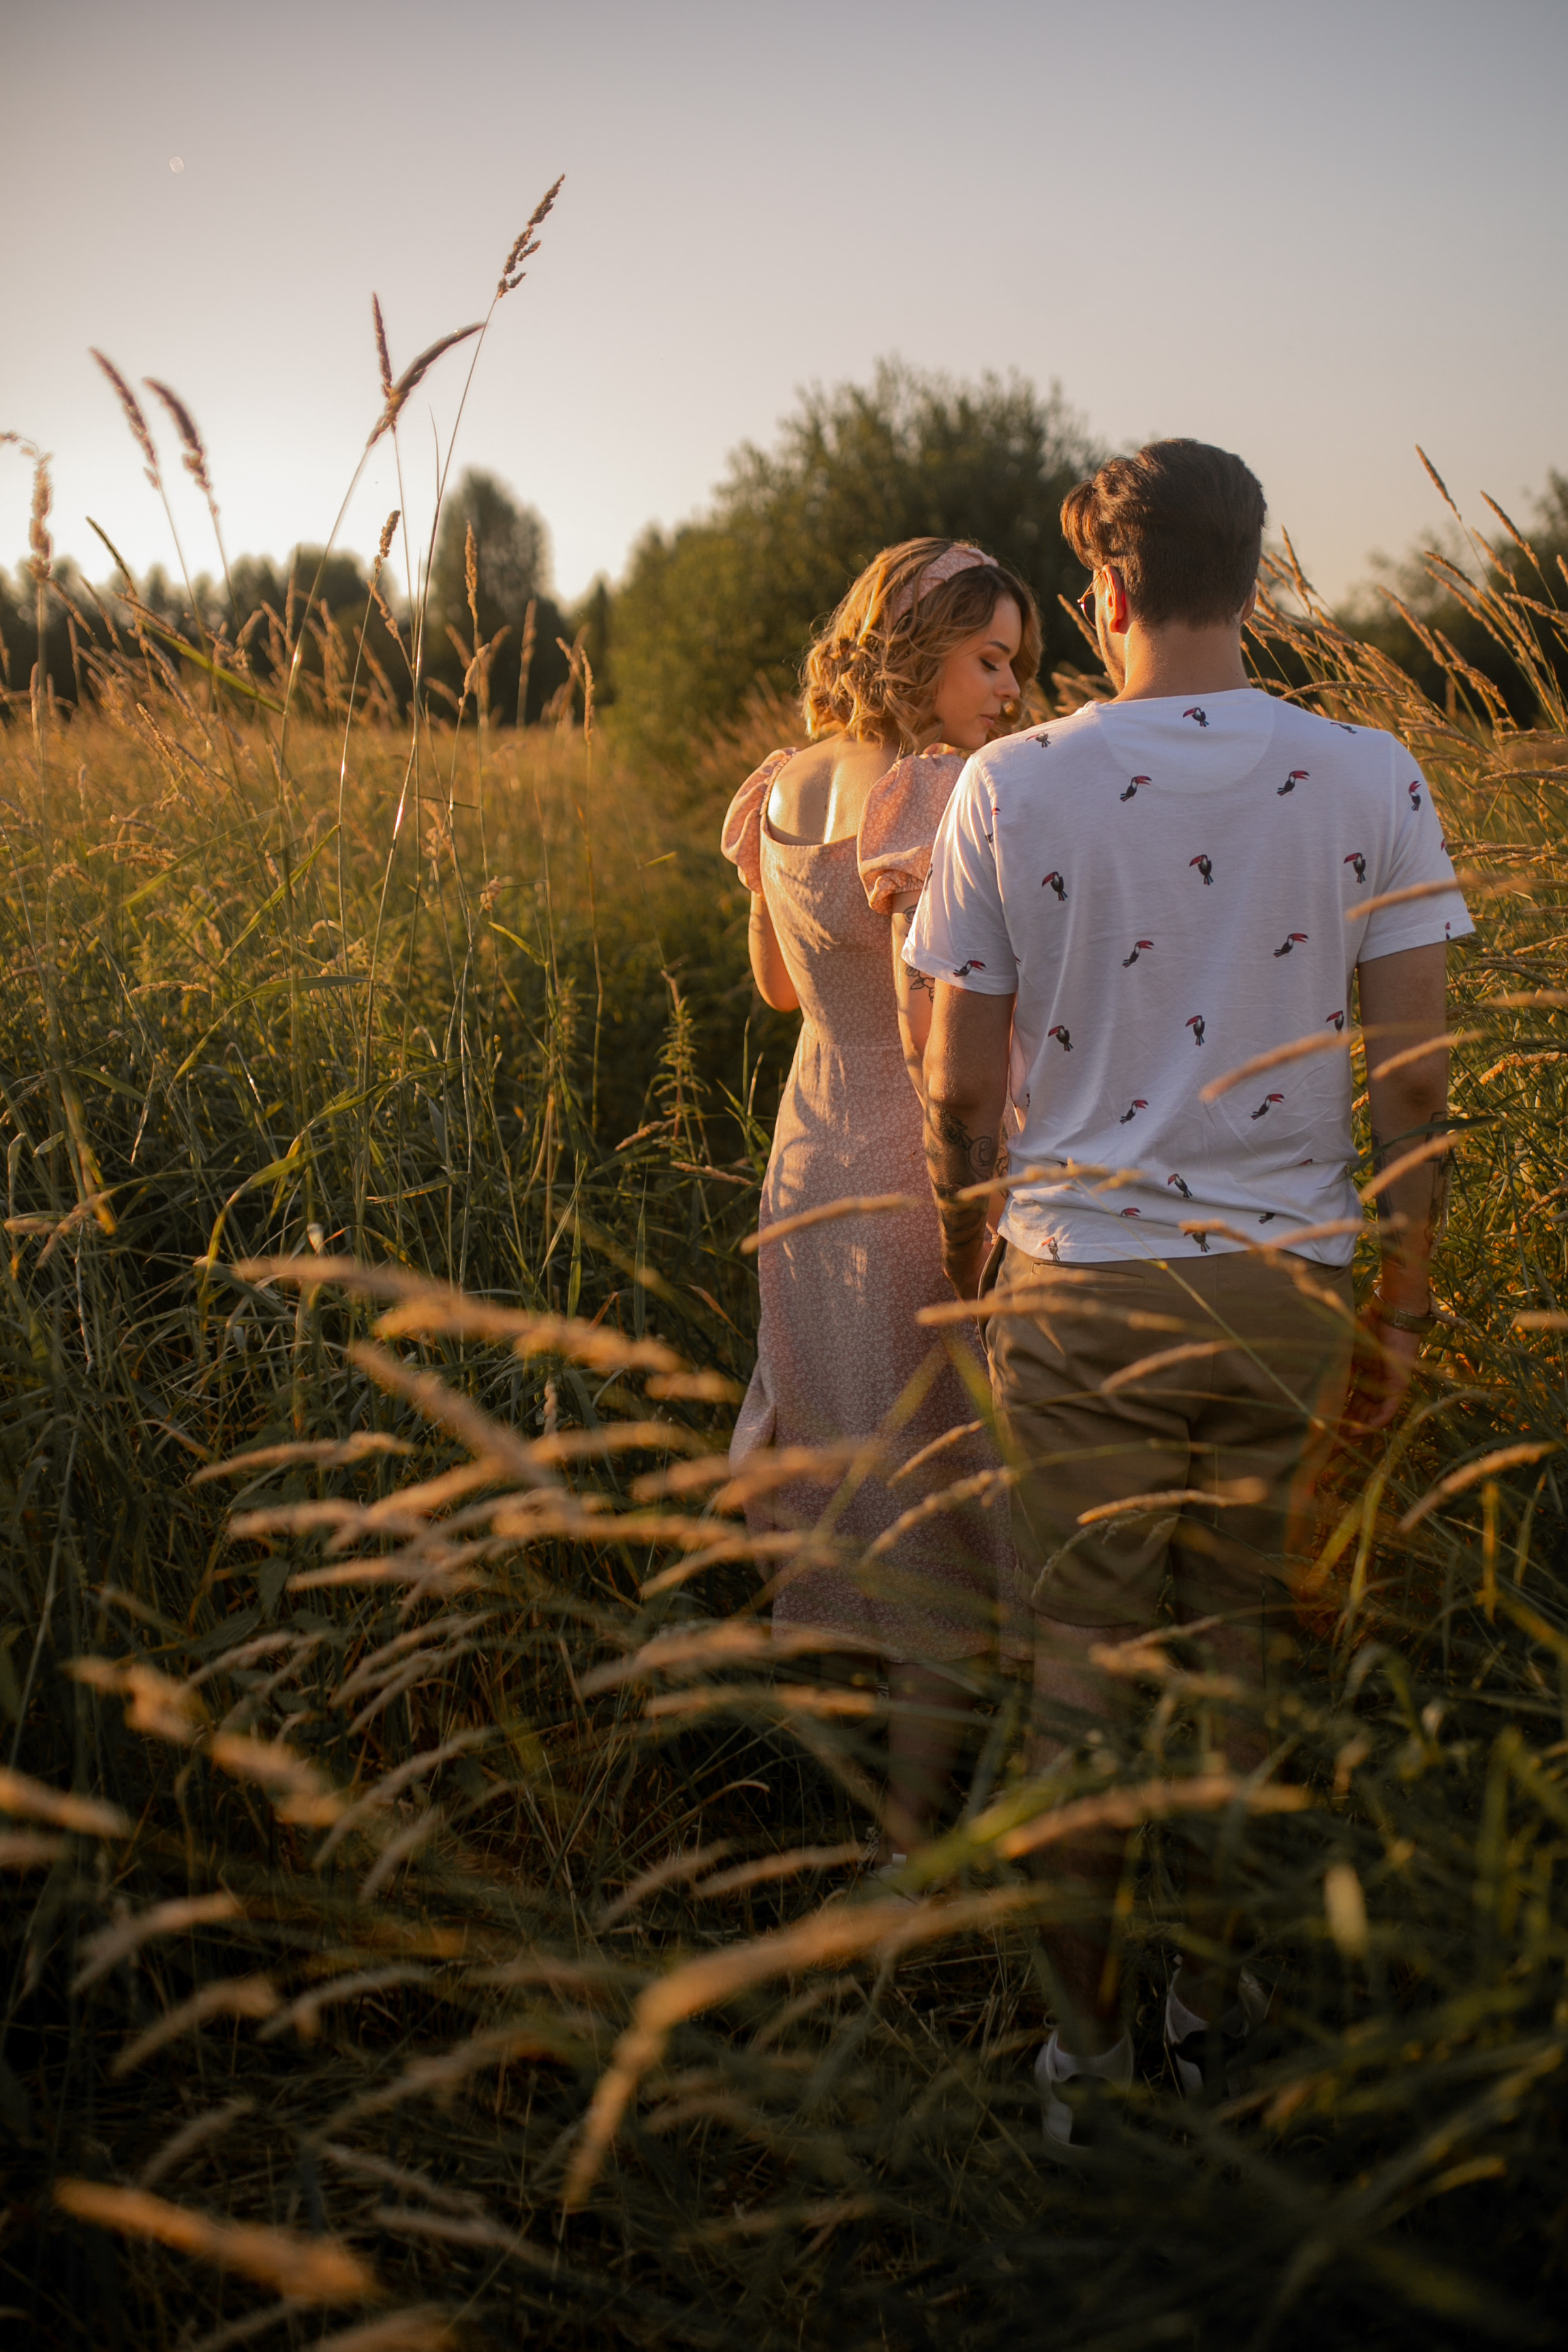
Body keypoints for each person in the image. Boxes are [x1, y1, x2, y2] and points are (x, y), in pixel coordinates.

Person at [906, 440, 1471, 2144]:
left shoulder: (1014, 783)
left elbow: (952, 1087)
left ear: (1103, 590)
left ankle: (1082, 2071)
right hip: (1285, 1291)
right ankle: (1202, 2020)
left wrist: (963, 1262)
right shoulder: (1372, 775)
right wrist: (1403, 1303)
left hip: (1075, 1293)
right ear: (1256, 574)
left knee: (1078, 1681)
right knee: (1235, 1669)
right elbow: (1420, 1080)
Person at [721, 539, 1041, 1865]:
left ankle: (843, 1798)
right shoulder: (929, 790)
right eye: (988, 659)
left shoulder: (779, 784)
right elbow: (938, 1033)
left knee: (858, 1449)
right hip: (914, 1164)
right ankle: (920, 1840)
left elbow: (775, 989)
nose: (1012, 691)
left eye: (1018, 663)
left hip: (806, 1154)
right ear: (915, 653)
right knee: (943, 1486)